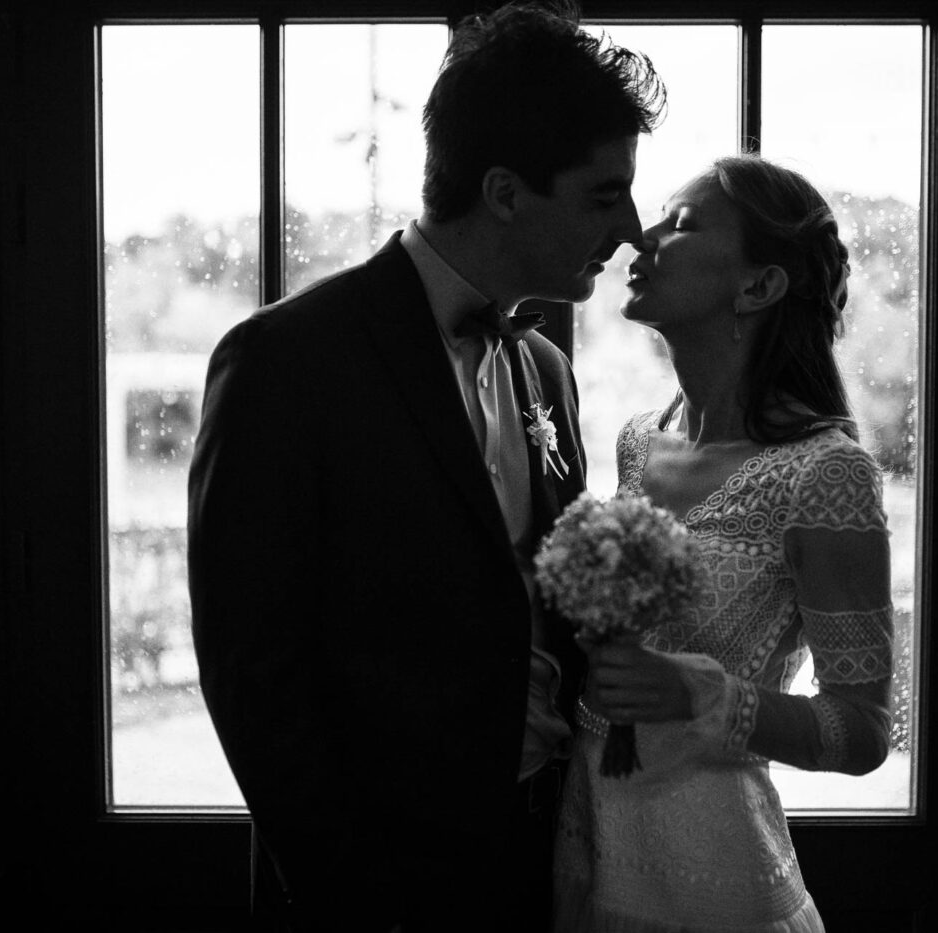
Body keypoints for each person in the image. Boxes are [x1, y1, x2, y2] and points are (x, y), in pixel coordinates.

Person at [186, 4, 663, 930]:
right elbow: (253, 667)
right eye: (605, 196)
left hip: (543, 861)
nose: (637, 229)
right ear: (505, 191)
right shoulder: (286, 362)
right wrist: (352, 890)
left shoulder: (546, 370)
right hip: (376, 884)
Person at [552, 155, 895, 932]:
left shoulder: (825, 474)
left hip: (714, 885)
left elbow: (865, 729)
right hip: (590, 846)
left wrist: (704, 695)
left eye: (681, 223)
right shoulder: (641, 443)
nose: (642, 234)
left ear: (758, 287)